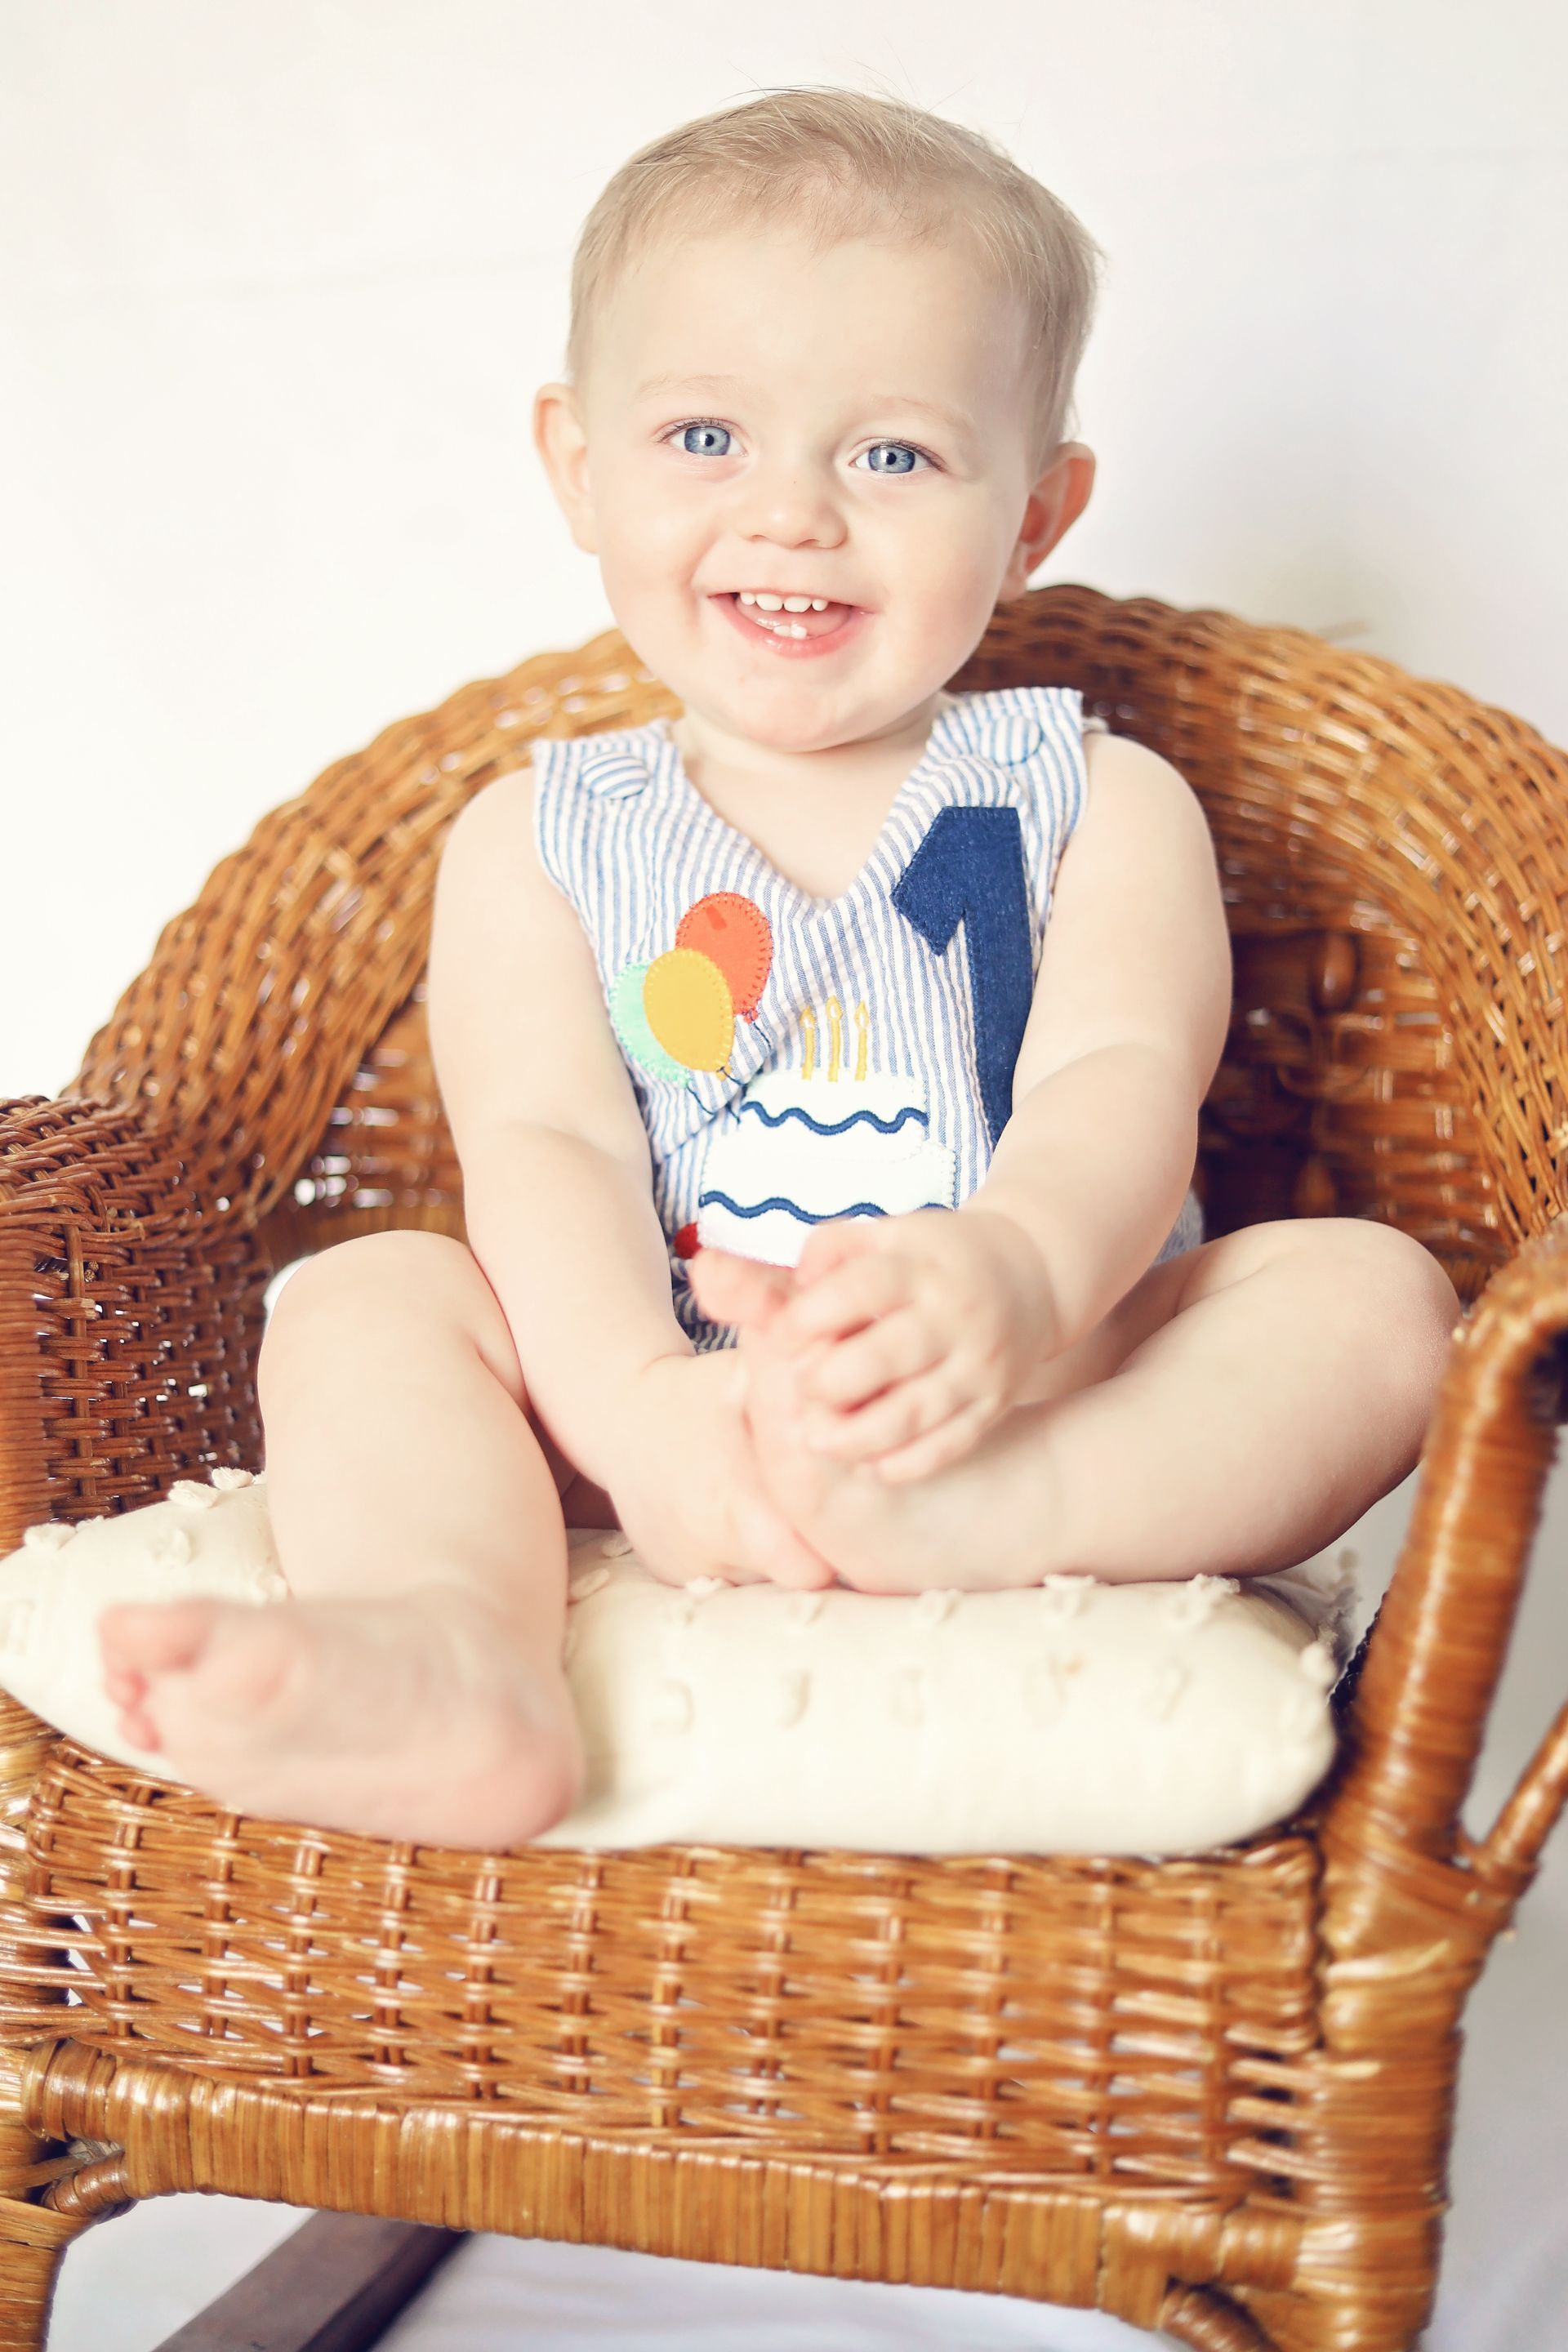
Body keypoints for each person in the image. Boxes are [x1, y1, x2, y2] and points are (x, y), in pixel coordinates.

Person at [95, 88, 1460, 1848]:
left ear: (1037, 515)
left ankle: (964, 1523)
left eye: (893, 456)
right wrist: (651, 1419)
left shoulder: (1095, 802)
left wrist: (1021, 1281)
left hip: (1026, 1385)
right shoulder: (537, 838)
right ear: (577, 466)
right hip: (643, 1401)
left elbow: (1120, 1083)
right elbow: (552, 1153)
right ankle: (455, 1653)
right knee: (363, 1301)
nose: (795, 515)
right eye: (704, 437)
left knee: (1374, 1302)